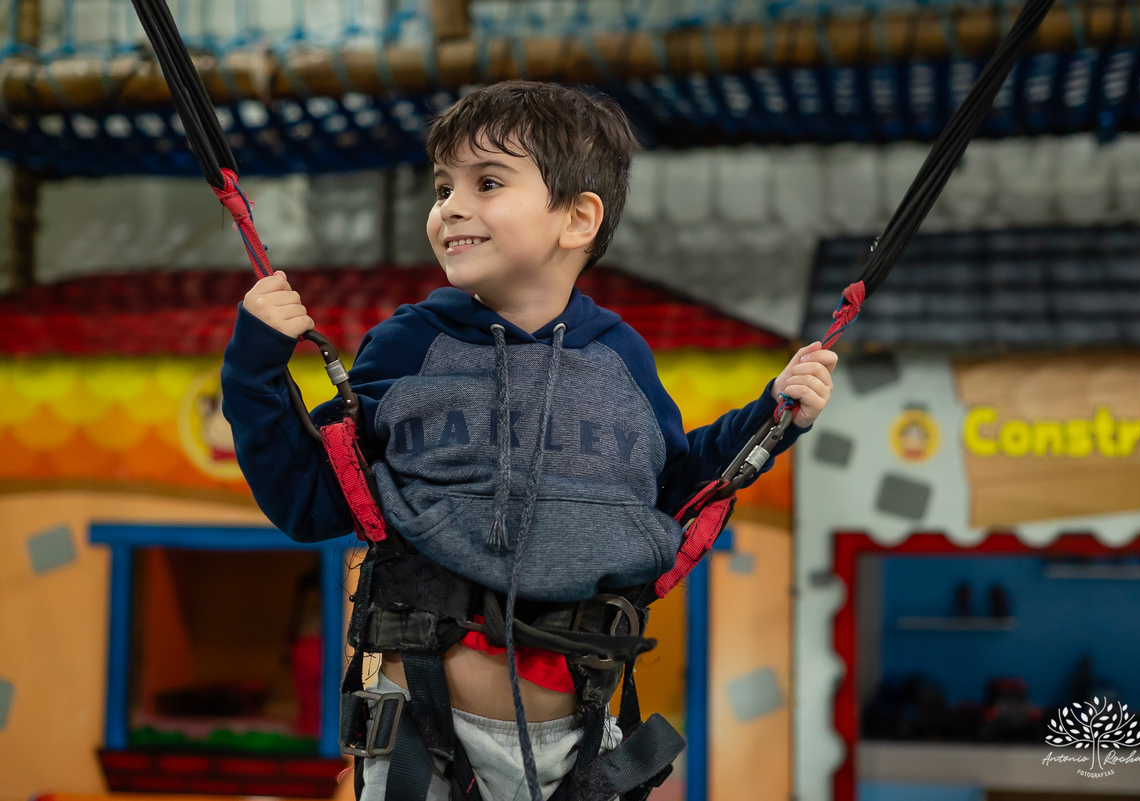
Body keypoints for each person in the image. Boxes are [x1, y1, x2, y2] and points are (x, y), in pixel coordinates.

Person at [221, 80, 838, 801]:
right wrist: (255, 365)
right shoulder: (408, 346)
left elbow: (674, 487)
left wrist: (772, 414)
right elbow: (309, 497)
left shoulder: (620, 359)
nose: (451, 206)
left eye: (487, 183)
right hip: (422, 730)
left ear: (577, 219)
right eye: (442, 186)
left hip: (572, 745)